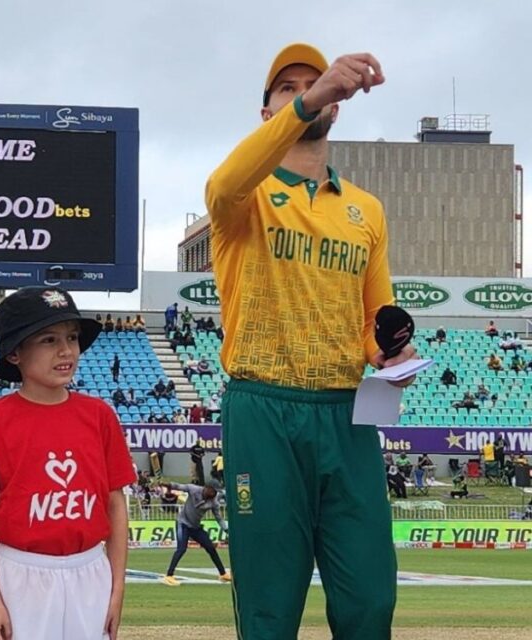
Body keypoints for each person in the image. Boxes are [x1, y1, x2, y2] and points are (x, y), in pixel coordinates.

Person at [206, 43, 407, 638]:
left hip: (346, 413)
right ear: (267, 113)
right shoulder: (245, 195)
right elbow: (222, 183)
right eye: (287, 89)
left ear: (338, 108)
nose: (303, 94)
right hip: (264, 407)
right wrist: (310, 100)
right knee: (269, 608)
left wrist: (390, 352)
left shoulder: (366, 210)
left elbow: (375, 320)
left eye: (311, 85)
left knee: (371, 600)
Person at [0, 286, 135, 640]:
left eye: (72, 337)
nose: (66, 350)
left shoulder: (100, 415)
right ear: (14, 353)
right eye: (49, 340)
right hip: (20, 575)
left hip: (90, 570)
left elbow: (115, 504)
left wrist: (117, 588)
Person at [158, 482, 231, 584]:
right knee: (181, 549)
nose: (209, 497)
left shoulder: (214, 502)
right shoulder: (194, 489)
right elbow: (180, 486)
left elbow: (219, 518)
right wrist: (168, 485)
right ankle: (169, 575)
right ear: (205, 488)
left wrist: (226, 530)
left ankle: (223, 574)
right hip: (183, 524)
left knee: (210, 548)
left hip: (195, 527)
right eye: (208, 493)